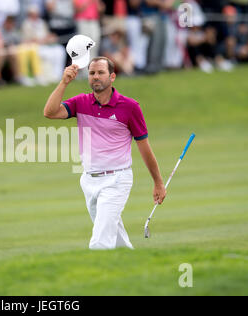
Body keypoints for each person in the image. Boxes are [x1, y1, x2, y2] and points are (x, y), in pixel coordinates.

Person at [43, 57, 166, 250]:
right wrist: (64, 82)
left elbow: (144, 147)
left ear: (112, 76)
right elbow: (50, 112)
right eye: (92, 73)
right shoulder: (81, 102)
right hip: (89, 180)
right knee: (114, 237)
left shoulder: (130, 107)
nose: (95, 77)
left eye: (101, 72)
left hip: (117, 180)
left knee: (100, 241)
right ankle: (132, 263)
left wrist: (158, 182)